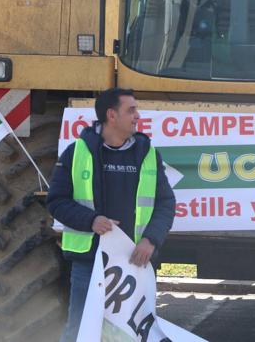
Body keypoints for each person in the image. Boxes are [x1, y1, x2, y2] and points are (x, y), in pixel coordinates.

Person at [47, 88, 176, 342]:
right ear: (111, 115)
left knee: (128, 335)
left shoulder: (147, 153)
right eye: (131, 110)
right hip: (89, 262)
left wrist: (151, 240)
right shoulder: (76, 152)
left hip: (134, 263)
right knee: (80, 330)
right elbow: (56, 202)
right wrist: (91, 220)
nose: (137, 116)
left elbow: (166, 203)